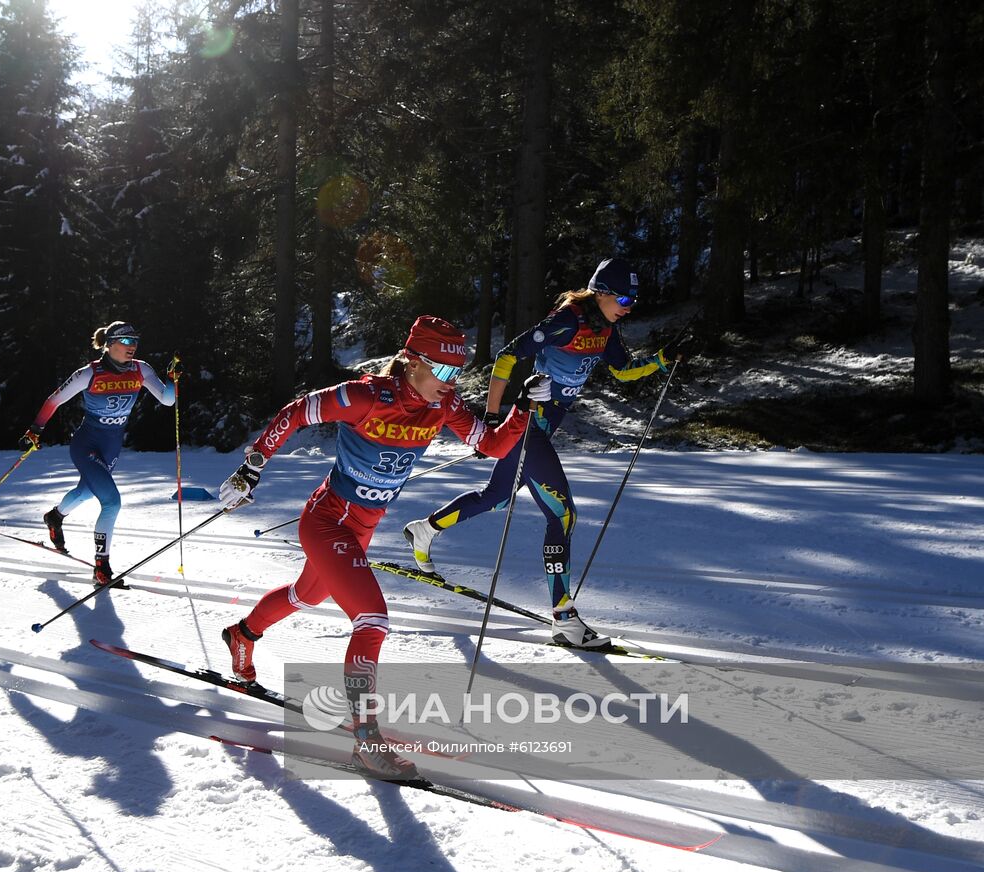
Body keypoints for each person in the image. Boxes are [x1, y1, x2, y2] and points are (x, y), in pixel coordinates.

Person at [216, 316, 550, 779]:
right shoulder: (365, 396)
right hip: (327, 520)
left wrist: (523, 408)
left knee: (306, 595)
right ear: (412, 361)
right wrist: (251, 467)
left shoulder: (444, 404)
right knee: (372, 619)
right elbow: (295, 412)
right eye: (443, 371)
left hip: (362, 527)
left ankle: (242, 634)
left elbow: (492, 446)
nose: (450, 384)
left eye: (457, 373)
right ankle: (366, 742)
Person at [402, 258, 683, 650]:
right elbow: (508, 356)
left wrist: (661, 361)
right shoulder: (569, 320)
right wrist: (493, 418)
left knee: (497, 498)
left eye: (633, 299)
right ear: (599, 291)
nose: (628, 305)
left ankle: (426, 529)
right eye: (622, 296)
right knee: (562, 514)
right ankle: (564, 619)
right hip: (527, 426)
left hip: (542, 429)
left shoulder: (607, 330)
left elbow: (624, 371)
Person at [19, 321, 179, 587]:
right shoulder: (88, 373)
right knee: (112, 502)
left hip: (112, 446)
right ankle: (101, 566)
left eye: (135, 341)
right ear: (110, 344)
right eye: (126, 341)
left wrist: (172, 380)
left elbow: (167, 400)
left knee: (86, 492)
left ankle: (55, 517)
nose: (132, 346)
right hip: (87, 444)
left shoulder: (142, 369)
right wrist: (35, 430)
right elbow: (54, 400)